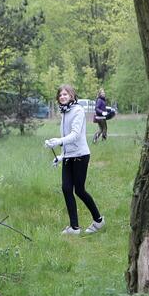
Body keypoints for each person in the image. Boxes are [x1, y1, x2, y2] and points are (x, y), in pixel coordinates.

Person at [45, 84, 105, 235]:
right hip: (68, 156)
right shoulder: (64, 112)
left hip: (80, 156)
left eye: (65, 94)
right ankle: (74, 228)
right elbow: (68, 139)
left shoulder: (77, 110)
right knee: (66, 188)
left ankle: (98, 220)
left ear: (72, 95)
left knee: (79, 190)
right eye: (60, 95)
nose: (62, 97)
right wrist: (61, 156)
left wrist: (59, 141)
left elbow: (76, 135)